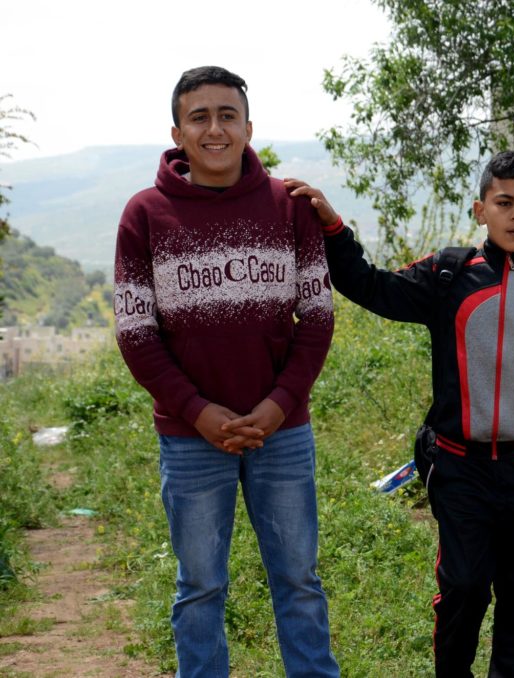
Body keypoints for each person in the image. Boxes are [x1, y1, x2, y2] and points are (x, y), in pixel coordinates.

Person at [287, 149, 514, 677]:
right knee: (465, 589)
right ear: (480, 210)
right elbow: (370, 285)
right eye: (504, 203)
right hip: (462, 468)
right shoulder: (449, 275)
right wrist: (333, 228)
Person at [113, 66, 340, 677]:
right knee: (200, 586)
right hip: (191, 439)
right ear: (178, 132)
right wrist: (199, 412)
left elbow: (317, 316)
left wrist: (278, 404)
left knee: (298, 579)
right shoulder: (146, 215)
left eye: (227, 115)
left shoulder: (288, 208)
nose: (215, 128)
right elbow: (136, 331)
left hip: (282, 432)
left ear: (248, 128)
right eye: (199, 117)